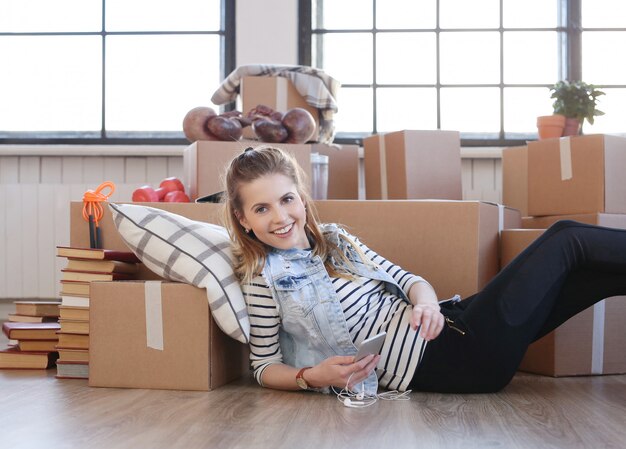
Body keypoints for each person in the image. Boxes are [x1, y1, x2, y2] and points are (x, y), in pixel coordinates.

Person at [222, 145, 626, 395]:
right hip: (458, 358)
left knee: (595, 277)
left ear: (301, 197)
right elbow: (263, 366)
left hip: (455, 322)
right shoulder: (263, 278)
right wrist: (312, 376)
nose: (280, 217)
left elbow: (408, 281)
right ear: (243, 219)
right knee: (567, 238)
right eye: (262, 208)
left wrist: (428, 304)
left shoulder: (335, 239)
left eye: (287, 199)